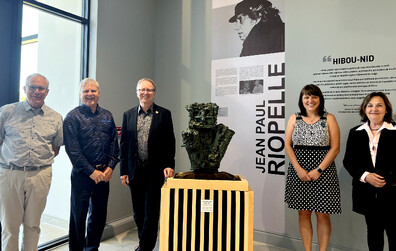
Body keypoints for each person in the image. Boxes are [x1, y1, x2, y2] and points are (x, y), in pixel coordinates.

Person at [0, 73, 63, 250]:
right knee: (9, 227)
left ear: (47, 92)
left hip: (40, 175)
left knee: (33, 225)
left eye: (41, 88)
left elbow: (55, 148)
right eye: (32, 87)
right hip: (10, 174)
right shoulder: (7, 112)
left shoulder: (56, 117)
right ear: (25, 89)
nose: (37, 91)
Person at [63, 78, 119, 251]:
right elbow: (73, 150)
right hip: (82, 175)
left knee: (99, 215)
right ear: (80, 94)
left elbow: (113, 145)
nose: (90, 94)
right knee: (78, 216)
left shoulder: (107, 115)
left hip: (104, 174)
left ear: (99, 93)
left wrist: (110, 167)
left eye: (93, 91)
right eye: (86, 91)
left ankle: (92, 248)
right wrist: (91, 172)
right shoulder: (72, 117)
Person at [120, 78, 175, 251]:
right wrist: (123, 170)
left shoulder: (164, 114)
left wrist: (169, 164)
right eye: (142, 89)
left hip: (155, 171)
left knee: (151, 212)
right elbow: (124, 145)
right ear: (137, 92)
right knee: (138, 213)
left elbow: (169, 142)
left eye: (149, 90)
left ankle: (145, 247)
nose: (145, 93)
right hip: (134, 170)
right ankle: (143, 242)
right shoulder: (128, 115)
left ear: (154, 93)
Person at [284, 84, 341, 251]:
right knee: (303, 212)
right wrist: (298, 169)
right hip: (299, 169)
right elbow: (288, 145)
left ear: (320, 99)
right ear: (302, 100)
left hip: (323, 171)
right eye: (306, 97)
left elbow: (335, 148)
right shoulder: (294, 118)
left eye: (314, 96)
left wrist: (319, 170)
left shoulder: (329, 118)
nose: (310, 100)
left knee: (322, 213)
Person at [343, 92, 396, 251]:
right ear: (364, 109)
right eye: (370, 105)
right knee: (373, 233)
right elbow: (349, 161)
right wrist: (366, 176)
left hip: (392, 193)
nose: (374, 109)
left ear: (386, 109)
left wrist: (386, 179)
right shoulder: (356, 132)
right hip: (367, 193)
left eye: (379, 105)